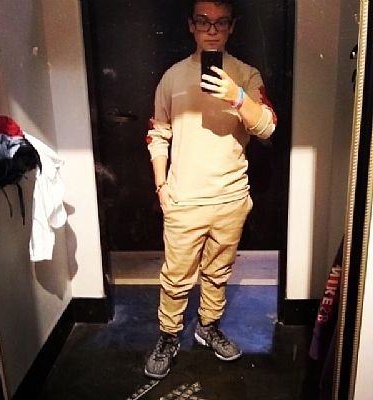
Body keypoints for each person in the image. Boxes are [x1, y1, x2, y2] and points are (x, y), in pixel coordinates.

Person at [144, 0, 277, 379]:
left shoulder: (246, 76)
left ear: (232, 26)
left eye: (221, 22)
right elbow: (158, 134)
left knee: (218, 273)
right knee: (176, 278)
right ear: (191, 25)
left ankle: (207, 326)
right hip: (184, 199)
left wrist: (237, 96)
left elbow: (267, 127)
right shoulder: (172, 77)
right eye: (204, 21)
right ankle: (169, 335)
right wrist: (161, 186)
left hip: (231, 198)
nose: (212, 30)